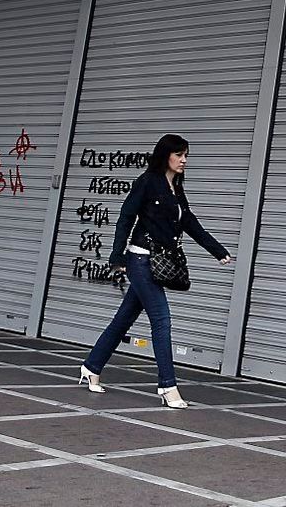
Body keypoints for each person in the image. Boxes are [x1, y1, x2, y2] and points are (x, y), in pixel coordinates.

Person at [80, 134, 231, 408]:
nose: (184, 160)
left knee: (122, 320)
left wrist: (217, 250)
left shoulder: (176, 188)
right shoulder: (147, 182)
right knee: (161, 320)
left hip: (157, 262)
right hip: (140, 260)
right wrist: (117, 256)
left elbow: (190, 223)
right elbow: (126, 216)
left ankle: (91, 367)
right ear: (166, 156)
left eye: (186, 155)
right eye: (180, 155)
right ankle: (167, 386)